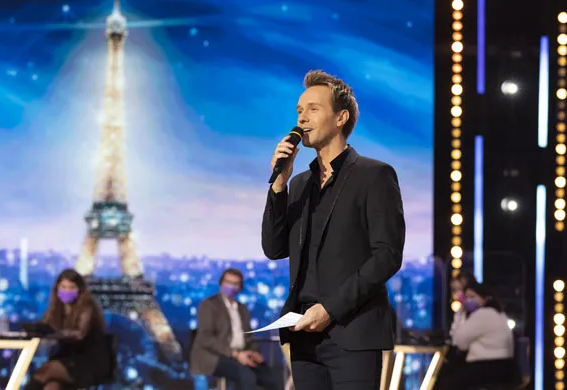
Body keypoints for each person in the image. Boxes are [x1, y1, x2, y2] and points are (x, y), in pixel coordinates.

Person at [261, 70, 405, 389]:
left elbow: (387, 255)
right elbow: (274, 248)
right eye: (299, 111)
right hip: (304, 338)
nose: (302, 118)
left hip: (353, 333)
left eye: (313, 109)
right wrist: (279, 187)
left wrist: (330, 309)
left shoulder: (374, 175)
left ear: (341, 118)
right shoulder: (298, 185)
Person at [190, 268, 281, 390]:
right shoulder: (208, 305)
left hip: (241, 355)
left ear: (240, 287)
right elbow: (205, 339)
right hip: (215, 356)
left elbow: (248, 337)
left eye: (235, 284)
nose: (231, 287)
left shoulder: (242, 308)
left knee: (270, 377)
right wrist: (235, 354)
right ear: (221, 283)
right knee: (246, 376)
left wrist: (254, 352)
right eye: (228, 282)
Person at [25, 269, 110, 390]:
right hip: (64, 360)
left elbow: (80, 334)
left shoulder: (87, 307)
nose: (67, 291)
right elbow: (44, 325)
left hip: (86, 362)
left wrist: (57, 334)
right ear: (57, 289)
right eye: (63, 287)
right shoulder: (55, 309)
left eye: (71, 287)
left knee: (45, 371)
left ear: (79, 289)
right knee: (51, 387)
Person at [437, 283, 517, 389]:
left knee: (445, 382)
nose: (468, 301)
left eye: (473, 297)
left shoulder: (483, 314)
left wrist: (461, 314)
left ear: (485, 298)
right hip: (503, 368)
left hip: (486, 368)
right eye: (466, 297)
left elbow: (459, 342)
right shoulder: (499, 313)